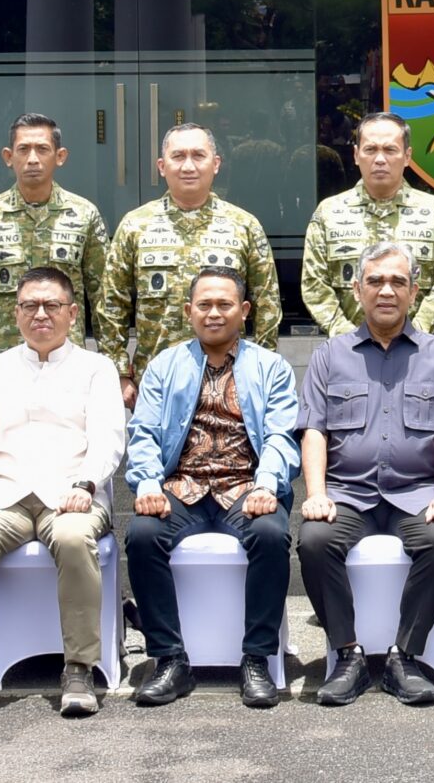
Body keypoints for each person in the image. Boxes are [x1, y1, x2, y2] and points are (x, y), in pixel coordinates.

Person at [0, 264, 126, 720]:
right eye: (29, 305)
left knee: (70, 537)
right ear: (16, 313)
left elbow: (109, 437)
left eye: (51, 305)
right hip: (4, 494)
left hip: (72, 494)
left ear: (71, 314)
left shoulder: (97, 369)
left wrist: (87, 483)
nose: (40, 314)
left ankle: (80, 668)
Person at [296, 240, 434, 707]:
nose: (386, 290)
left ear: (414, 291)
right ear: (357, 290)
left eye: (398, 281)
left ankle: (404, 657)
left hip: (416, 494)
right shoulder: (329, 356)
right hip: (349, 494)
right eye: (375, 281)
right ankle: (348, 656)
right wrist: (316, 493)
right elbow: (314, 430)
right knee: (314, 541)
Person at [126, 266, 299, 709]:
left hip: (245, 486)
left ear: (244, 310)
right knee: (142, 535)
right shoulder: (164, 366)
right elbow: (142, 432)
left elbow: (282, 435)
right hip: (182, 487)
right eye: (204, 305)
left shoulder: (270, 367)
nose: (214, 313)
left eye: (225, 305)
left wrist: (267, 484)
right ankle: (169, 659)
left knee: (271, 534)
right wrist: (147, 481)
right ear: (188, 311)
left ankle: (257, 659)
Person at [101, 122, 282, 403]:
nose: (188, 166)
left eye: (198, 156)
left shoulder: (243, 225)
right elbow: (112, 305)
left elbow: (267, 305)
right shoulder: (135, 226)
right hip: (157, 383)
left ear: (216, 164)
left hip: (231, 384)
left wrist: (259, 371)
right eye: (178, 156)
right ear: (162, 166)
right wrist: (120, 372)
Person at [0, 112, 106, 377]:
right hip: (3, 362)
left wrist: (111, 360)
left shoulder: (84, 215)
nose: (33, 158)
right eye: (23, 149)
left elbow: (103, 295)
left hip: (68, 363)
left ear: (60, 156)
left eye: (42, 149)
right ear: (8, 157)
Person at [299, 110, 434, 336]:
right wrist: (346, 337)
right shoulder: (328, 213)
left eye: (389, 150)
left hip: (416, 351)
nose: (379, 159)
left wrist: (415, 332)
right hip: (348, 352)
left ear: (407, 156)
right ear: (356, 155)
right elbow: (314, 283)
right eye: (370, 149)